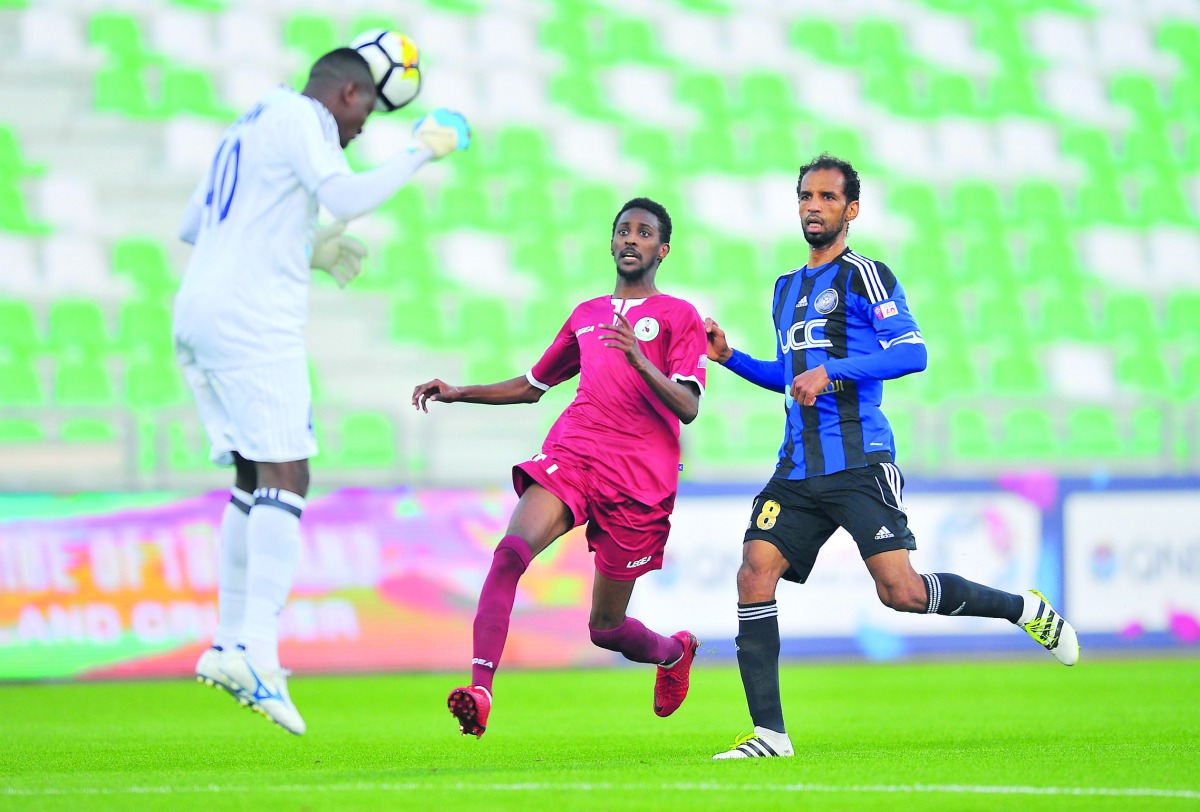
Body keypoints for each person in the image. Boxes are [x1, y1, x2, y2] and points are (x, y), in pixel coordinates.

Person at [704, 154, 1080, 760]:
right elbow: (791, 377)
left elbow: (912, 352)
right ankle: (770, 735)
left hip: (859, 461)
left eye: (827, 197)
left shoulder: (864, 276)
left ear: (851, 210)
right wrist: (731, 359)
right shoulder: (784, 288)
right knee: (754, 574)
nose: (813, 206)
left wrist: (833, 370)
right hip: (797, 468)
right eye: (805, 196)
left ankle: (1021, 609)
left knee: (899, 591)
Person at [175, 47, 470, 735]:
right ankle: (258, 654)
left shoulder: (250, 120)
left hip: (198, 311)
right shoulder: (303, 115)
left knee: (254, 475)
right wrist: (420, 151)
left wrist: (302, 245)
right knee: (288, 472)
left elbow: (197, 226)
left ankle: (229, 642)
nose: (363, 126)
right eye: (366, 109)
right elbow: (344, 196)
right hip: (252, 318)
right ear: (343, 92)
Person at [412, 198, 708, 738]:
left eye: (644, 233)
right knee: (508, 554)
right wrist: (460, 392)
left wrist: (640, 361)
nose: (631, 239)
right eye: (623, 230)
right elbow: (532, 386)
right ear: (612, 242)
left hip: (639, 482)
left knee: (606, 628)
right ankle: (480, 689)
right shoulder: (587, 315)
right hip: (574, 457)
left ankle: (673, 652)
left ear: (662, 250)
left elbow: (688, 405)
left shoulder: (679, 317)